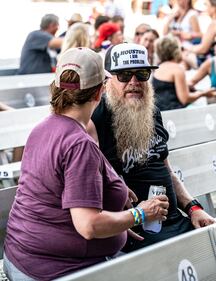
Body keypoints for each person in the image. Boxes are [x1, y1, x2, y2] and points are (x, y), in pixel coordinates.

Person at [3, 47, 169, 281]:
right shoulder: (79, 145)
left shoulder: (44, 127)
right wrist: (140, 213)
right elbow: (88, 226)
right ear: (99, 91)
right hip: (53, 269)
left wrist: (116, 219)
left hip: (23, 256)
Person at [87, 42, 215, 252]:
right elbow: (89, 186)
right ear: (107, 80)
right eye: (125, 75)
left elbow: (168, 172)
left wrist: (194, 208)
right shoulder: (96, 119)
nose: (134, 82)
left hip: (176, 222)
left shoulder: (150, 111)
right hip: (137, 231)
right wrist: (120, 220)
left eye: (142, 74)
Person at [152, 35, 216, 111]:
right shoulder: (177, 69)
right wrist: (202, 94)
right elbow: (185, 99)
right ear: (176, 50)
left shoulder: (158, 68)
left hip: (160, 112)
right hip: (174, 112)